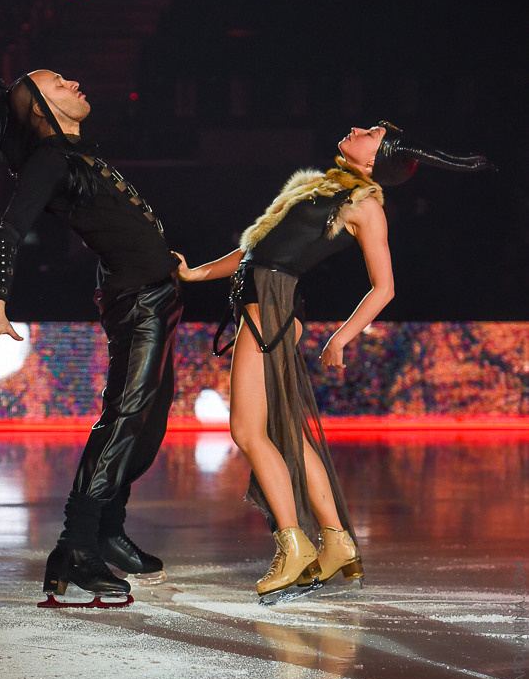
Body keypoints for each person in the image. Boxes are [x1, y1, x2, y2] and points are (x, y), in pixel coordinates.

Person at [0, 3, 183, 606]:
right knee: (124, 422)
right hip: (138, 302)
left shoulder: (66, 147)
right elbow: (6, 231)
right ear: (46, 109)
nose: (74, 82)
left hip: (159, 295)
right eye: (59, 82)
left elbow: (5, 97)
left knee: (146, 426)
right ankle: (75, 548)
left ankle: (107, 532)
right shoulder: (50, 160)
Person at [176, 124, 491, 603]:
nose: (356, 129)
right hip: (266, 305)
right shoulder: (320, 187)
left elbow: (384, 287)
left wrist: (342, 337)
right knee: (283, 434)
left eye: (370, 133)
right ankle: (336, 542)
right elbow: (256, 251)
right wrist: (196, 273)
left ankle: (294, 546)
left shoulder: (364, 205)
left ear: (374, 161)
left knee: (248, 431)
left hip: (274, 309)